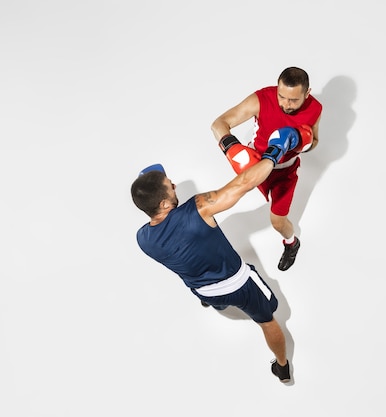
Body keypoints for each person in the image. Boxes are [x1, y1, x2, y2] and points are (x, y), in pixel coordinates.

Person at [130, 128, 306, 383]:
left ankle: (214, 304)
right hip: (240, 284)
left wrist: (148, 186)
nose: (175, 184)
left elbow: (153, 203)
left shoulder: (143, 239)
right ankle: (282, 367)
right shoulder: (197, 209)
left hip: (203, 290)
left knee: (212, 294)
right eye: (170, 186)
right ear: (164, 203)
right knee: (269, 320)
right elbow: (243, 183)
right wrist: (273, 154)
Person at [211, 66, 323, 271]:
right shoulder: (262, 99)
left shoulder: (316, 108)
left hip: (284, 173)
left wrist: (302, 142)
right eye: (282, 96)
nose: (285, 104)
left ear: (307, 93)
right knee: (220, 203)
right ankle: (212, 272)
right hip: (255, 164)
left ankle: (292, 243)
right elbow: (219, 123)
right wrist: (232, 148)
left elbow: (315, 139)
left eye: (293, 100)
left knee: (278, 222)